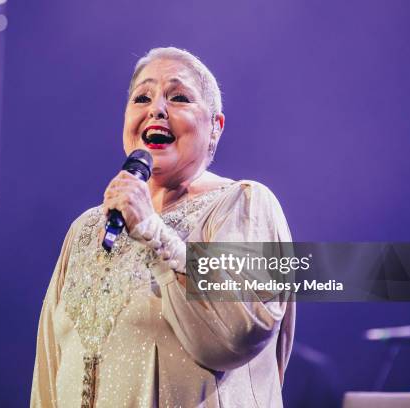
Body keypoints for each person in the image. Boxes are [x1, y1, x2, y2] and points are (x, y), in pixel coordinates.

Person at [30, 47, 295, 407]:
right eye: (142, 97)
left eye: (179, 97)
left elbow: (237, 333)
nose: (156, 109)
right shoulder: (86, 229)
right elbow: (49, 369)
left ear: (215, 126)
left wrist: (156, 235)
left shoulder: (243, 205)